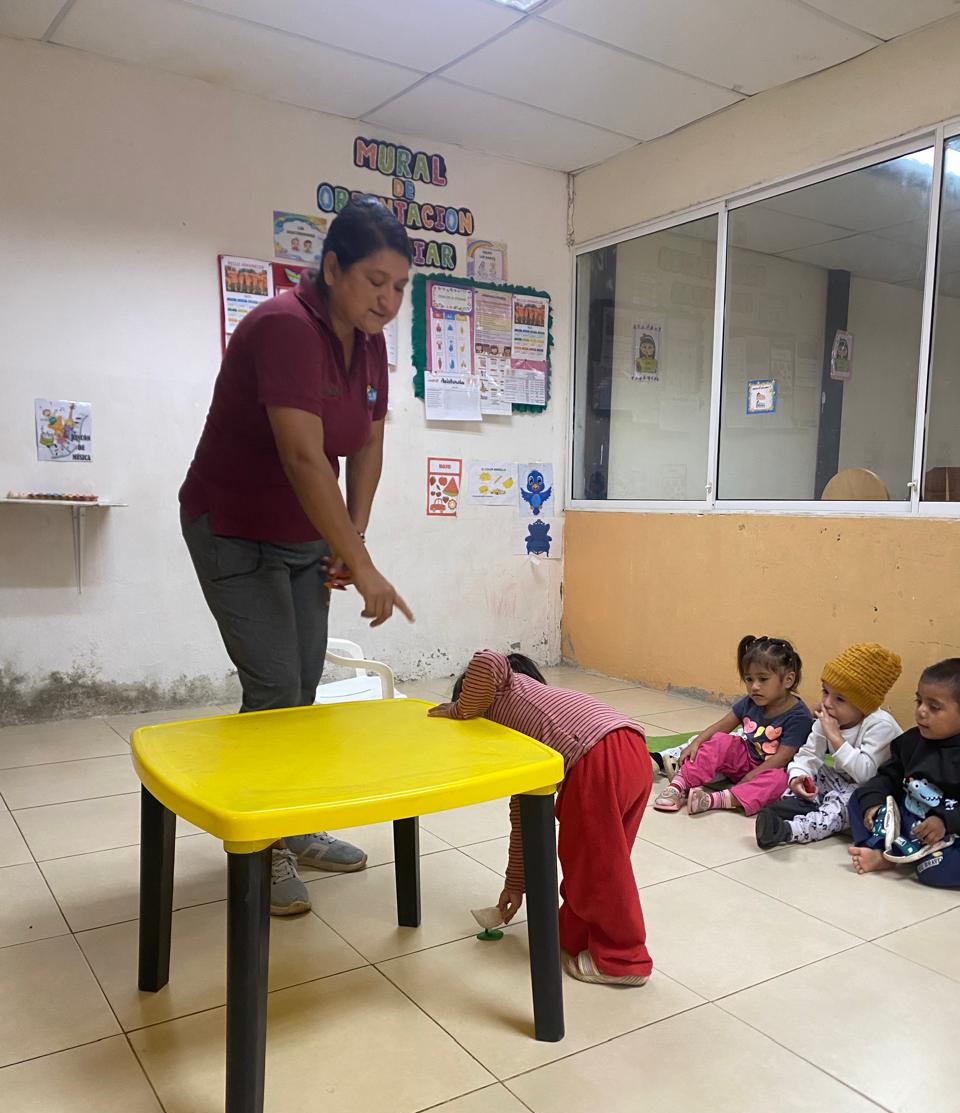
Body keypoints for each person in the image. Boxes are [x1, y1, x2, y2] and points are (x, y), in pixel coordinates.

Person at [179, 196, 414, 915]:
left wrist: (353, 541)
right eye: (376, 281)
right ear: (332, 267)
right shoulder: (284, 326)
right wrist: (362, 568)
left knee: (304, 688)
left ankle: (294, 822)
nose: (388, 300)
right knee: (275, 688)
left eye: (400, 287)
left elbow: (367, 441)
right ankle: (262, 847)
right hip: (233, 527)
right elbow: (303, 456)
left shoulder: (368, 343)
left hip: (305, 532)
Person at [428, 650, 653, 987]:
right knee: (596, 863)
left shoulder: (503, 689)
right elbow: (525, 821)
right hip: (632, 750)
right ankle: (576, 934)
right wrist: (514, 884)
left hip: (598, 759)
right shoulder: (532, 734)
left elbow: (488, 660)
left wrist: (460, 709)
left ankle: (624, 960)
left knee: (597, 871)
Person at [755, 643, 902, 849]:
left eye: (840, 699)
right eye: (825, 691)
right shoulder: (828, 717)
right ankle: (798, 803)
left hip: (871, 790)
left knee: (845, 802)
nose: (827, 703)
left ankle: (787, 830)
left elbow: (866, 774)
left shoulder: (880, 725)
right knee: (808, 773)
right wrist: (799, 777)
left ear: (864, 706)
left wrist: (835, 737)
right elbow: (808, 755)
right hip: (840, 779)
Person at [655, 635, 812, 816]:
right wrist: (696, 743)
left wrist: (752, 776)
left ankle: (713, 800)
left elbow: (782, 759)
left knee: (781, 780)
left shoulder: (799, 716)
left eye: (763, 679)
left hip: (769, 770)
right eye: (749, 679)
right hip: (744, 761)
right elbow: (722, 725)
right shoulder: (751, 701)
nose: (754, 687)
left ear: (788, 680)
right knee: (721, 740)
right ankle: (679, 784)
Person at [849, 658, 960, 886]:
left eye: (934, 707)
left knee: (934, 871)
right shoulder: (910, 741)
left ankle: (915, 857)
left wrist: (944, 821)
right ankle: (880, 850)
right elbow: (888, 776)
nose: (921, 711)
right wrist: (874, 803)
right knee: (859, 798)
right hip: (905, 820)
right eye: (919, 701)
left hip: (945, 832)